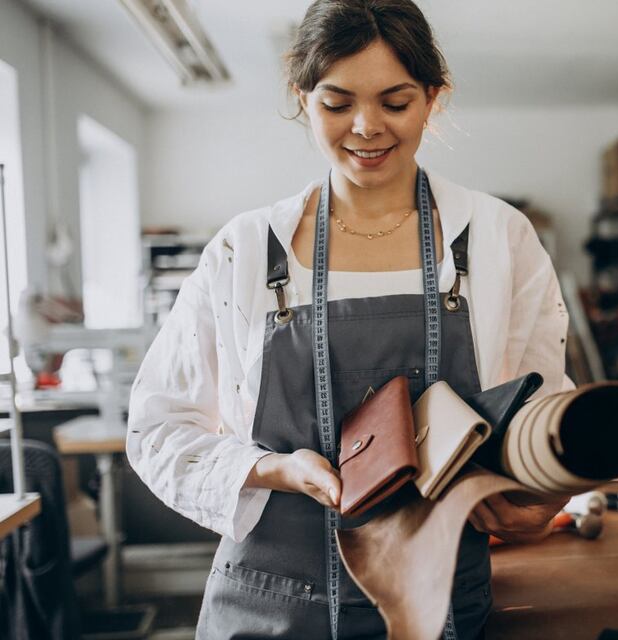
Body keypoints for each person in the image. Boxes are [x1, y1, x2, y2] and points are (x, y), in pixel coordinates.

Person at [126, 0, 572, 637]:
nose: (366, 127)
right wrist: (275, 469)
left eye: (395, 102)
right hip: (271, 606)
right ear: (301, 97)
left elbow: (543, 408)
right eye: (337, 104)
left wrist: (537, 491)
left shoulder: (498, 237)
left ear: (433, 99)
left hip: (442, 601)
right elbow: (156, 427)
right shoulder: (246, 249)